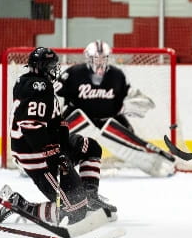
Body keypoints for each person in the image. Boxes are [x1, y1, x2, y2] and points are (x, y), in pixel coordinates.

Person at [0, 47, 117, 228]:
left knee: (91, 147)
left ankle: (90, 197)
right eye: (51, 65)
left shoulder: (39, 84)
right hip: (37, 157)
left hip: (50, 148)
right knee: (75, 212)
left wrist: (63, 147)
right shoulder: (38, 87)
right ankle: (19, 204)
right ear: (42, 67)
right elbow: (31, 127)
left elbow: (54, 123)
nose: (55, 68)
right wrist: (55, 155)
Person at [54, 40, 176, 177]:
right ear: (88, 57)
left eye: (103, 58)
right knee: (54, 138)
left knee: (132, 139)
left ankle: (159, 162)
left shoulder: (117, 75)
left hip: (109, 120)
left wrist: (132, 104)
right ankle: (43, 162)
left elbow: (134, 98)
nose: (100, 62)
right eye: (96, 58)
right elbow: (53, 95)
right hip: (78, 120)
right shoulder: (74, 73)